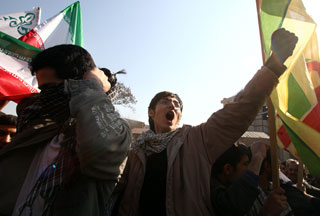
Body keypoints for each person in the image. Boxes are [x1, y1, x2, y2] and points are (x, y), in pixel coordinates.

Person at [112, 28, 298, 216]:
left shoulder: (196, 140)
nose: (173, 106)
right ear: (151, 112)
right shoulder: (136, 152)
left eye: (177, 104)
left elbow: (239, 110)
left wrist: (273, 66)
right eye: (165, 101)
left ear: (180, 117)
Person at [0, 45, 131, 216]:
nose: (44, 97)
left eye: (50, 89)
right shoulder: (33, 124)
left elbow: (100, 151)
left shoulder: (116, 131)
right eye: (42, 90)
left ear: (80, 84)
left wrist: (92, 86)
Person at [211, 141, 290, 216]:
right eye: (245, 164)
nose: (249, 169)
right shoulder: (212, 194)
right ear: (228, 169)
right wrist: (266, 212)